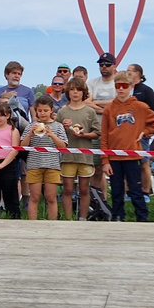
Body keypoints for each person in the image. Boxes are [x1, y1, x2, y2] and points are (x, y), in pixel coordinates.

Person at [101, 72, 154, 222]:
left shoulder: (140, 106)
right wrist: (105, 160)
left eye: (124, 86)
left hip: (133, 156)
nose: (121, 89)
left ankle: (142, 218)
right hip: (114, 157)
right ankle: (117, 217)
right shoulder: (109, 109)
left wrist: (145, 132)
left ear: (131, 86)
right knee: (116, 190)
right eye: (117, 86)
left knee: (135, 189)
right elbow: (104, 135)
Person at [56, 77, 100, 220]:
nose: (75, 93)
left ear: (84, 92)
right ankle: (68, 219)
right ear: (68, 92)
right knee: (68, 189)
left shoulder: (90, 111)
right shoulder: (63, 112)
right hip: (68, 156)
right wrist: (62, 126)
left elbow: (97, 133)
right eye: (72, 90)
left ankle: (82, 218)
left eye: (78, 90)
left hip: (85, 156)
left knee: (84, 189)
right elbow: (54, 132)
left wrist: (84, 134)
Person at [20, 96, 67, 221]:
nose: (42, 113)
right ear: (36, 111)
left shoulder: (58, 126)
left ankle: (52, 223)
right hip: (34, 165)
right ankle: (33, 222)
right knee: (34, 196)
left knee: (51, 197)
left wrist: (52, 135)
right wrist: (30, 134)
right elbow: (22, 146)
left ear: (51, 110)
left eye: (45, 110)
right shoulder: (31, 126)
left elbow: (63, 146)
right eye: (40, 111)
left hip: (52, 165)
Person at [86, 53, 118, 192]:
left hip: (115, 131)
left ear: (114, 66)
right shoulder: (92, 83)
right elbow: (86, 102)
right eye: (101, 64)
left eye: (107, 64)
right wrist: (106, 109)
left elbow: (118, 102)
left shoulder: (118, 83)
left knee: (116, 169)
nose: (104, 67)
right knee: (96, 169)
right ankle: (98, 200)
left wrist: (96, 103)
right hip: (96, 130)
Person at [127, 63, 154, 197]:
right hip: (127, 132)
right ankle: (129, 190)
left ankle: (146, 191)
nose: (127, 73)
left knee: (144, 163)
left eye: (130, 71)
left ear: (138, 73)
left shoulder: (146, 90)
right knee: (128, 163)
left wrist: (147, 131)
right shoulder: (126, 89)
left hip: (142, 134)